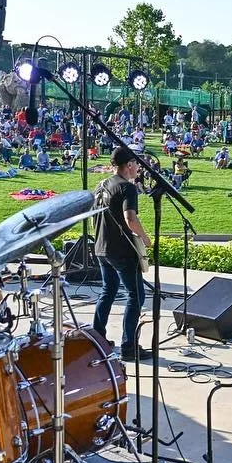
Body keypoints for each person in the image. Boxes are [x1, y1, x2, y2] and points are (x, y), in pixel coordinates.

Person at [92, 147, 153, 361]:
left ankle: (97, 339)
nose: (138, 168)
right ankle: (128, 347)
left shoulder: (101, 185)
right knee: (136, 296)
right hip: (121, 250)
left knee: (108, 291)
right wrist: (145, 238)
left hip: (101, 247)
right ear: (128, 165)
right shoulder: (127, 187)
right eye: (136, 164)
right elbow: (130, 219)